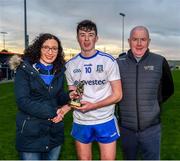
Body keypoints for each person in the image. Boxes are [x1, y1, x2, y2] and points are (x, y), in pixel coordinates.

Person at [9, 33, 76, 160]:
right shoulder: (24, 69)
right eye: (46, 47)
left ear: (59, 51)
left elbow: (58, 97)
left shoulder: (59, 70)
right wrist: (53, 112)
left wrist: (69, 95)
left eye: (54, 48)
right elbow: (23, 101)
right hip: (31, 135)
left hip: (54, 134)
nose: (50, 52)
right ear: (38, 48)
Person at [64, 19, 123, 160]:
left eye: (90, 34)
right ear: (77, 37)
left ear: (96, 38)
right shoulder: (70, 65)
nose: (86, 39)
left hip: (105, 119)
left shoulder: (108, 61)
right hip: (81, 120)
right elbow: (74, 96)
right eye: (82, 34)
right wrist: (69, 104)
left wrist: (94, 105)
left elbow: (118, 95)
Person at [116, 26, 174, 160]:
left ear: (149, 41)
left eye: (143, 39)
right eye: (135, 39)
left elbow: (168, 89)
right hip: (127, 129)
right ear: (129, 41)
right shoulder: (118, 63)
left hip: (152, 129)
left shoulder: (159, 61)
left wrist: (154, 104)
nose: (139, 43)